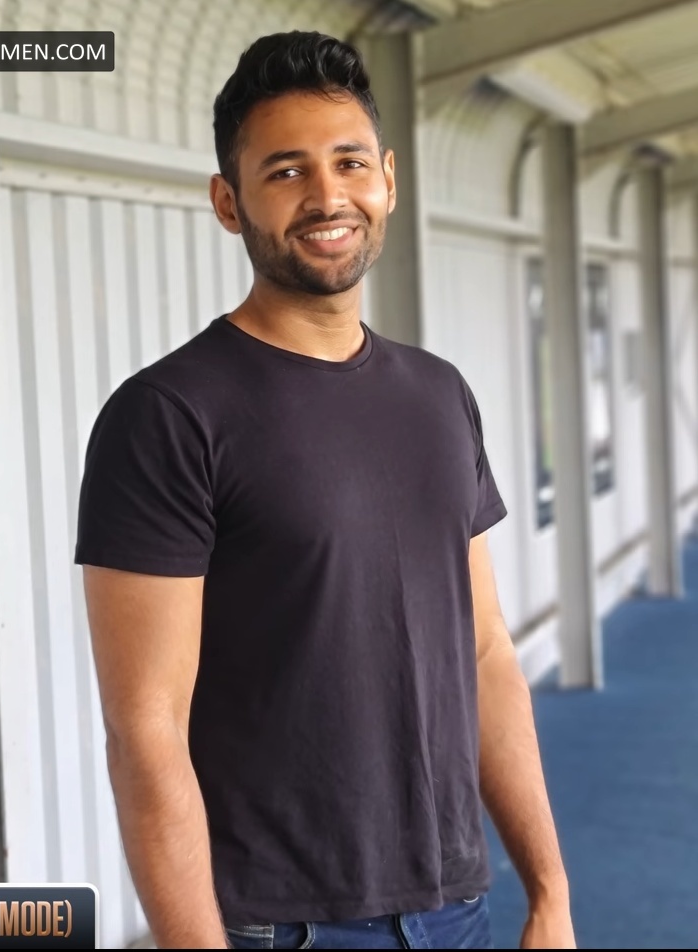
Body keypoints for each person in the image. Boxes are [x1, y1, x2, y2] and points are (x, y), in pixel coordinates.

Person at [75, 31, 576, 951]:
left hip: (455, 907)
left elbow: (485, 652)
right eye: (286, 171)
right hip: (282, 926)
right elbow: (144, 731)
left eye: (348, 162)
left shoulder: (439, 394)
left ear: (388, 179)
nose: (327, 196)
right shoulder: (168, 416)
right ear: (228, 202)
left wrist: (549, 892)